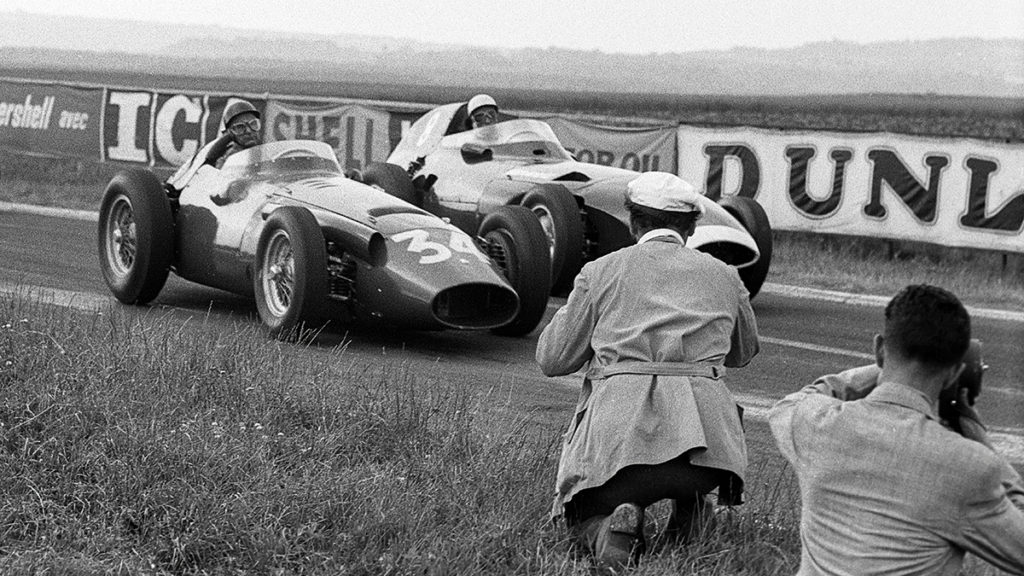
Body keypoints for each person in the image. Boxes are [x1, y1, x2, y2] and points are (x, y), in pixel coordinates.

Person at [536, 171, 759, 570]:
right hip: (708, 460)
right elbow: (743, 352)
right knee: (689, 477)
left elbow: (553, 359)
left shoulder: (601, 271)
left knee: (578, 517)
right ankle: (691, 513)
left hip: (622, 454)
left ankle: (607, 531)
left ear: (633, 222)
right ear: (692, 226)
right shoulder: (726, 275)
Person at [769, 284, 1024, 575]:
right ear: (954, 373)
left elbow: (797, 401)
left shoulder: (814, 423)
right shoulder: (971, 466)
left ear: (879, 349)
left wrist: (881, 373)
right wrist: (978, 437)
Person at [205, 99, 262, 168]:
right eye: (240, 127)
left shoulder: (267, 152)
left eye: (253, 124)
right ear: (230, 133)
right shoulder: (230, 159)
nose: (248, 130)